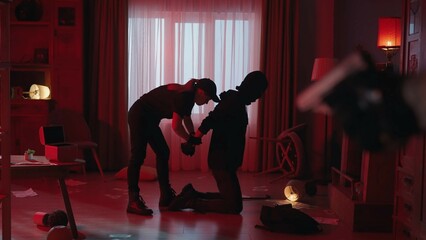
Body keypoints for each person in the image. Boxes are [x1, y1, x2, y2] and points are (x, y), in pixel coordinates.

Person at [168, 71, 268, 214]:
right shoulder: (233, 101)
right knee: (234, 206)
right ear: (252, 89)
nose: (259, 96)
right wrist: (192, 141)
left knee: (232, 200)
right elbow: (210, 120)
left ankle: (192, 194)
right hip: (222, 161)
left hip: (227, 161)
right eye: (259, 91)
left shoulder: (236, 101)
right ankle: (191, 202)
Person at [296, 49, 422, 151]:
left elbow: (304, 102)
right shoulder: (352, 115)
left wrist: (347, 68)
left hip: (406, 97)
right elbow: (303, 103)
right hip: (406, 113)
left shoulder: (360, 86)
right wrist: (345, 68)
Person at [127, 78, 220, 216]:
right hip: (139, 114)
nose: (207, 102)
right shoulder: (184, 97)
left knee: (163, 152)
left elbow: (186, 118)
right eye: (208, 98)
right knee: (138, 156)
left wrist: (192, 136)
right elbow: (176, 126)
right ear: (201, 91)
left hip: (150, 119)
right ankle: (133, 200)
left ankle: (165, 197)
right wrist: (190, 139)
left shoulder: (189, 97)